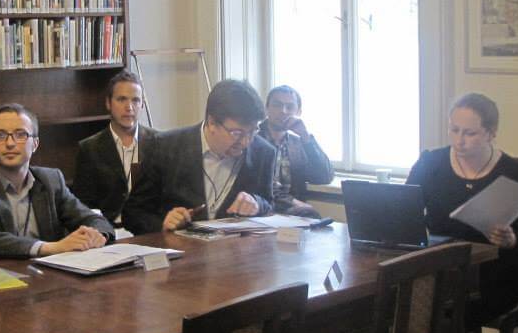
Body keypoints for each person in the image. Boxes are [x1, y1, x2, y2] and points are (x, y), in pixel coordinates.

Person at [406, 93, 518, 326]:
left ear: (491, 133)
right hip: (440, 268)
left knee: (443, 315)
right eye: (454, 130)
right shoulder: (430, 163)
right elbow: (405, 209)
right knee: (393, 305)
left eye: (470, 133)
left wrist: (512, 239)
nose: (459, 140)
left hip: (494, 276)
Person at [0, 103, 115, 261]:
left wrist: (95, 235)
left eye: (20, 135)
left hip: (47, 272)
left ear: (35, 144)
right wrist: (51, 247)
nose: (10, 143)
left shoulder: (51, 180)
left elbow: (93, 220)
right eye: (0, 135)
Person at [123, 79, 277, 235]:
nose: (246, 142)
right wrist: (162, 224)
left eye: (252, 131)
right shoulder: (164, 147)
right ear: (212, 123)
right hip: (179, 246)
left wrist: (257, 204)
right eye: (237, 133)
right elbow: (133, 213)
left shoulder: (264, 153)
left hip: (237, 247)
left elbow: (269, 204)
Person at [72, 70, 158, 226]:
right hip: (109, 230)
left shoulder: (159, 142)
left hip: (150, 230)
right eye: (121, 99)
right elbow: (83, 206)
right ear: (108, 103)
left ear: (142, 105)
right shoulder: (89, 149)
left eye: (135, 100)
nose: (129, 107)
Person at [256, 85, 333, 218]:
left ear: (298, 112)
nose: (283, 111)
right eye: (277, 105)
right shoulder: (252, 139)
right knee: (309, 213)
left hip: (291, 213)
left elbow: (324, 176)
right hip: (260, 209)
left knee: (313, 217)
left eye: (290, 107)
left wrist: (306, 137)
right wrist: (293, 202)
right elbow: (260, 183)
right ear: (266, 108)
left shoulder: (298, 144)